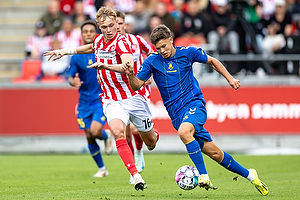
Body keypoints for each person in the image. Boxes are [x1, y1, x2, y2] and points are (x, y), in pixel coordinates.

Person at [123, 24, 269, 196]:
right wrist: (130, 74)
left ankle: (203, 175)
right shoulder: (152, 61)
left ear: (171, 40)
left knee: (185, 132)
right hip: (176, 115)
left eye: (164, 46)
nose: (162, 50)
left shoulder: (188, 53)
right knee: (215, 153)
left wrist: (230, 78)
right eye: (158, 48)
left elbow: (212, 61)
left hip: (195, 105)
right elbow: (136, 85)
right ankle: (250, 175)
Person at [44, 6, 159, 191]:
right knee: (117, 132)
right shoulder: (98, 40)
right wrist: (65, 51)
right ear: (99, 26)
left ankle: (152, 137)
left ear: (116, 24)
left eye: (111, 26)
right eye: (104, 27)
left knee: (151, 142)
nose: (108, 30)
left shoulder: (122, 43)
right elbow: (90, 47)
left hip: (132, 96)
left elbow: (127, 66)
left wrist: (105, 66)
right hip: (111, 99)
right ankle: (135, 175)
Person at [67, 20, 113, 177]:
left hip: (100, 99)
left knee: (95, 131)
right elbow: (70, 77)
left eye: (91, 31)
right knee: (88, 135)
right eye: (85, 31)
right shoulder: (77, 57)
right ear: (81, 35)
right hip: (83, 101)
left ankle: (106, 136)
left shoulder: (103, 51)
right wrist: (74, 82)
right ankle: (102, 169)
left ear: (97, 34)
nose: (88, 34)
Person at [115, 10, 156, 184]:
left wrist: (151, 74)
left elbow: (154, 53)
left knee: (134, 130)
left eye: (119, 23)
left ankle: (139, 151)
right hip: (118, 92)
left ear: (125, 24)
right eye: (113, 23)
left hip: (139, 90)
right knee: (124, 132)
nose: (116, 26)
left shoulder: (137, 41)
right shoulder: (108, 45)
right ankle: (134, 170)